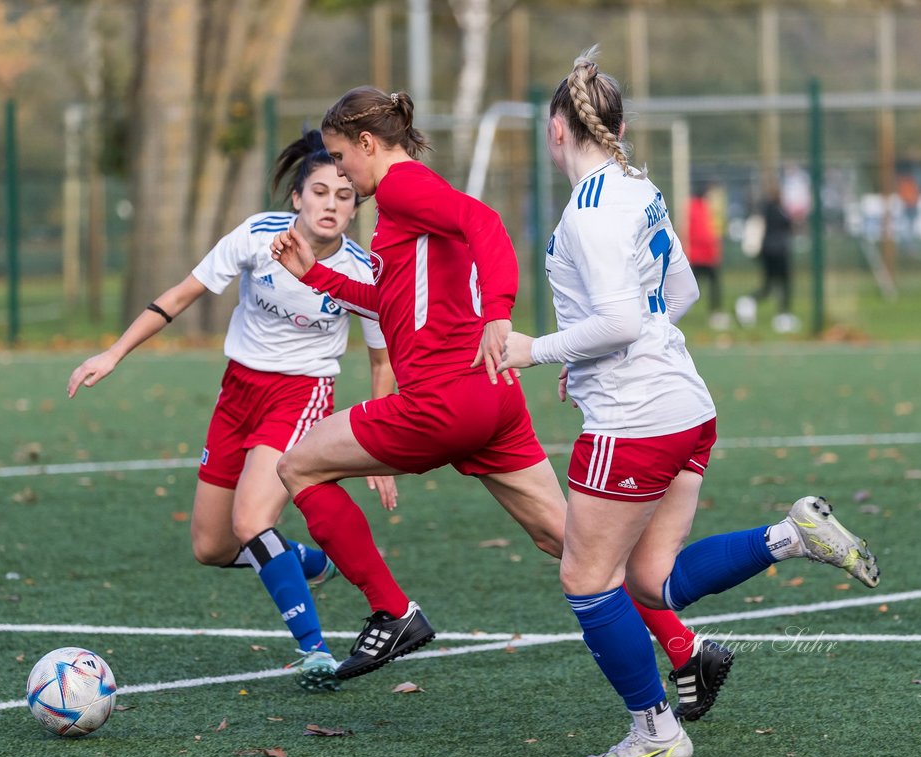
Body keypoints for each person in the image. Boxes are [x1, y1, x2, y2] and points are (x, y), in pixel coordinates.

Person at [269, 88, 734, 719]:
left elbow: (485, 224)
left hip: (443, 400)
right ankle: (686, 651)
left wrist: (499, 314)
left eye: (340, 157)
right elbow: (398, 305)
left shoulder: (404, 188)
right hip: (492, 399)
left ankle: (393, 611)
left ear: (369, 145)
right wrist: (316, 276)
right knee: (577, 549)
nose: (341, 175)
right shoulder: (405, 206)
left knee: (297, 465)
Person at [498, 47, 881, 757]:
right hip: (685, 405)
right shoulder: (638, 187)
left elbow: (615, 322)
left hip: (632, 420)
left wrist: (537, 349)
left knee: (587, 580)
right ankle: (790, 537)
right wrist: (596, 350)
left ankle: (656, 732)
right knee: (651, 580)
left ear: (558, 129)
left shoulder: (586, 214)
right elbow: (679, 296)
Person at [67, 128, 396, 692]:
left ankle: (314, 650)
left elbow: (381, 362)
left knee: (250, 522)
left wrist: (380, 452)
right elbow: (178, 296)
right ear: (297, 197)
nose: (332, 205)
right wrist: (115, 352)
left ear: (355, 206)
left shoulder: (364, 272)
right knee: (212, 546)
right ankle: (309, 563)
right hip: (237, 392)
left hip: (302, 394)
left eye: (344, 197)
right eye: (320, 192)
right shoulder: (255, 237)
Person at [737, 183, 796, 332]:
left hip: (768, 251)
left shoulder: (765, 209)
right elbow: (788, 225)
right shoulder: (776, 209)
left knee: (768, 286)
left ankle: (748, 302)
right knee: (784, 284)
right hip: (778, 251)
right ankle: (783, 317)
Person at [685, 182, 725, 329]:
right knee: (710, 285)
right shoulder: (700, 207)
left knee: (694, 285)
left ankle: (713, 311)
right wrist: (714, 249)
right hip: (703, 255)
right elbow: (703, 233)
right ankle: (715, 313)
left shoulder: (692, 206)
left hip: (697, 255)